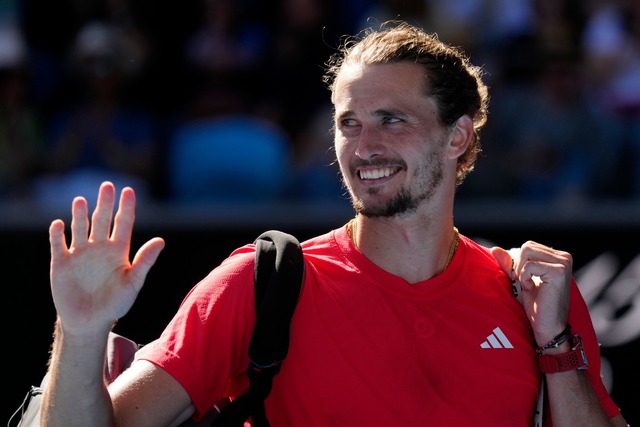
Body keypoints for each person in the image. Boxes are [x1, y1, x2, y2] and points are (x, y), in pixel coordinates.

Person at [41, 21, 627, 426]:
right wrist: (82, 331)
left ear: (458, 136)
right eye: (349, 124)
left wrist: (555, 348)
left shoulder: (535, 299)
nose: (363, 147)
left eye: (391, 120)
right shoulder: (258, 283)